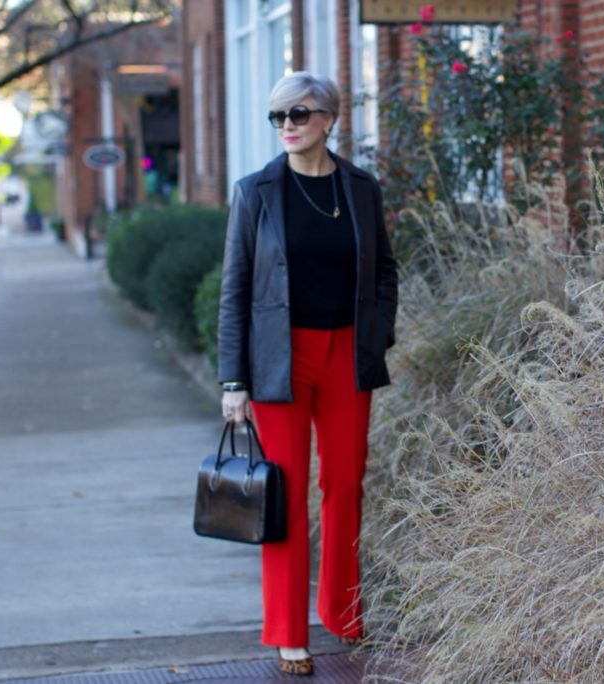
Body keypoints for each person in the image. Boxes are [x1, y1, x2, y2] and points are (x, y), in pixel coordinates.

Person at [217, 71, 397, 677]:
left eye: (298, 114)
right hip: (278, 359)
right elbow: (235, 290)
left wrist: (378, 335)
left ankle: (344, 614)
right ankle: (288, 631)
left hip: (347, 354)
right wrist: (232, 381)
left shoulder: (362, 190)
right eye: (277, 117)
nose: (287, 127)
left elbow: (385, 273)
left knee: (345, 486)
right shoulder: (255, 192)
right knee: (284, 497)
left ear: (329, 118)